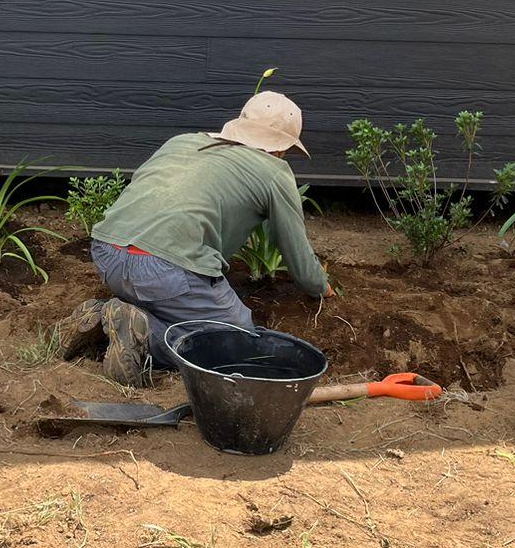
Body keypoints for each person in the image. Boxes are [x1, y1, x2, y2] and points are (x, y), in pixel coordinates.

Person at [59, 92, 332, 386]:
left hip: (107, 253)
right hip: (165, 273)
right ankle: (145, 339)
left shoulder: (182, 141)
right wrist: (321, 287)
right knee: (235, 342)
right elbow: (297, 256)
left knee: (161, 290)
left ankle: (104, 317)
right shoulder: (274, 172)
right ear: (281, 147)